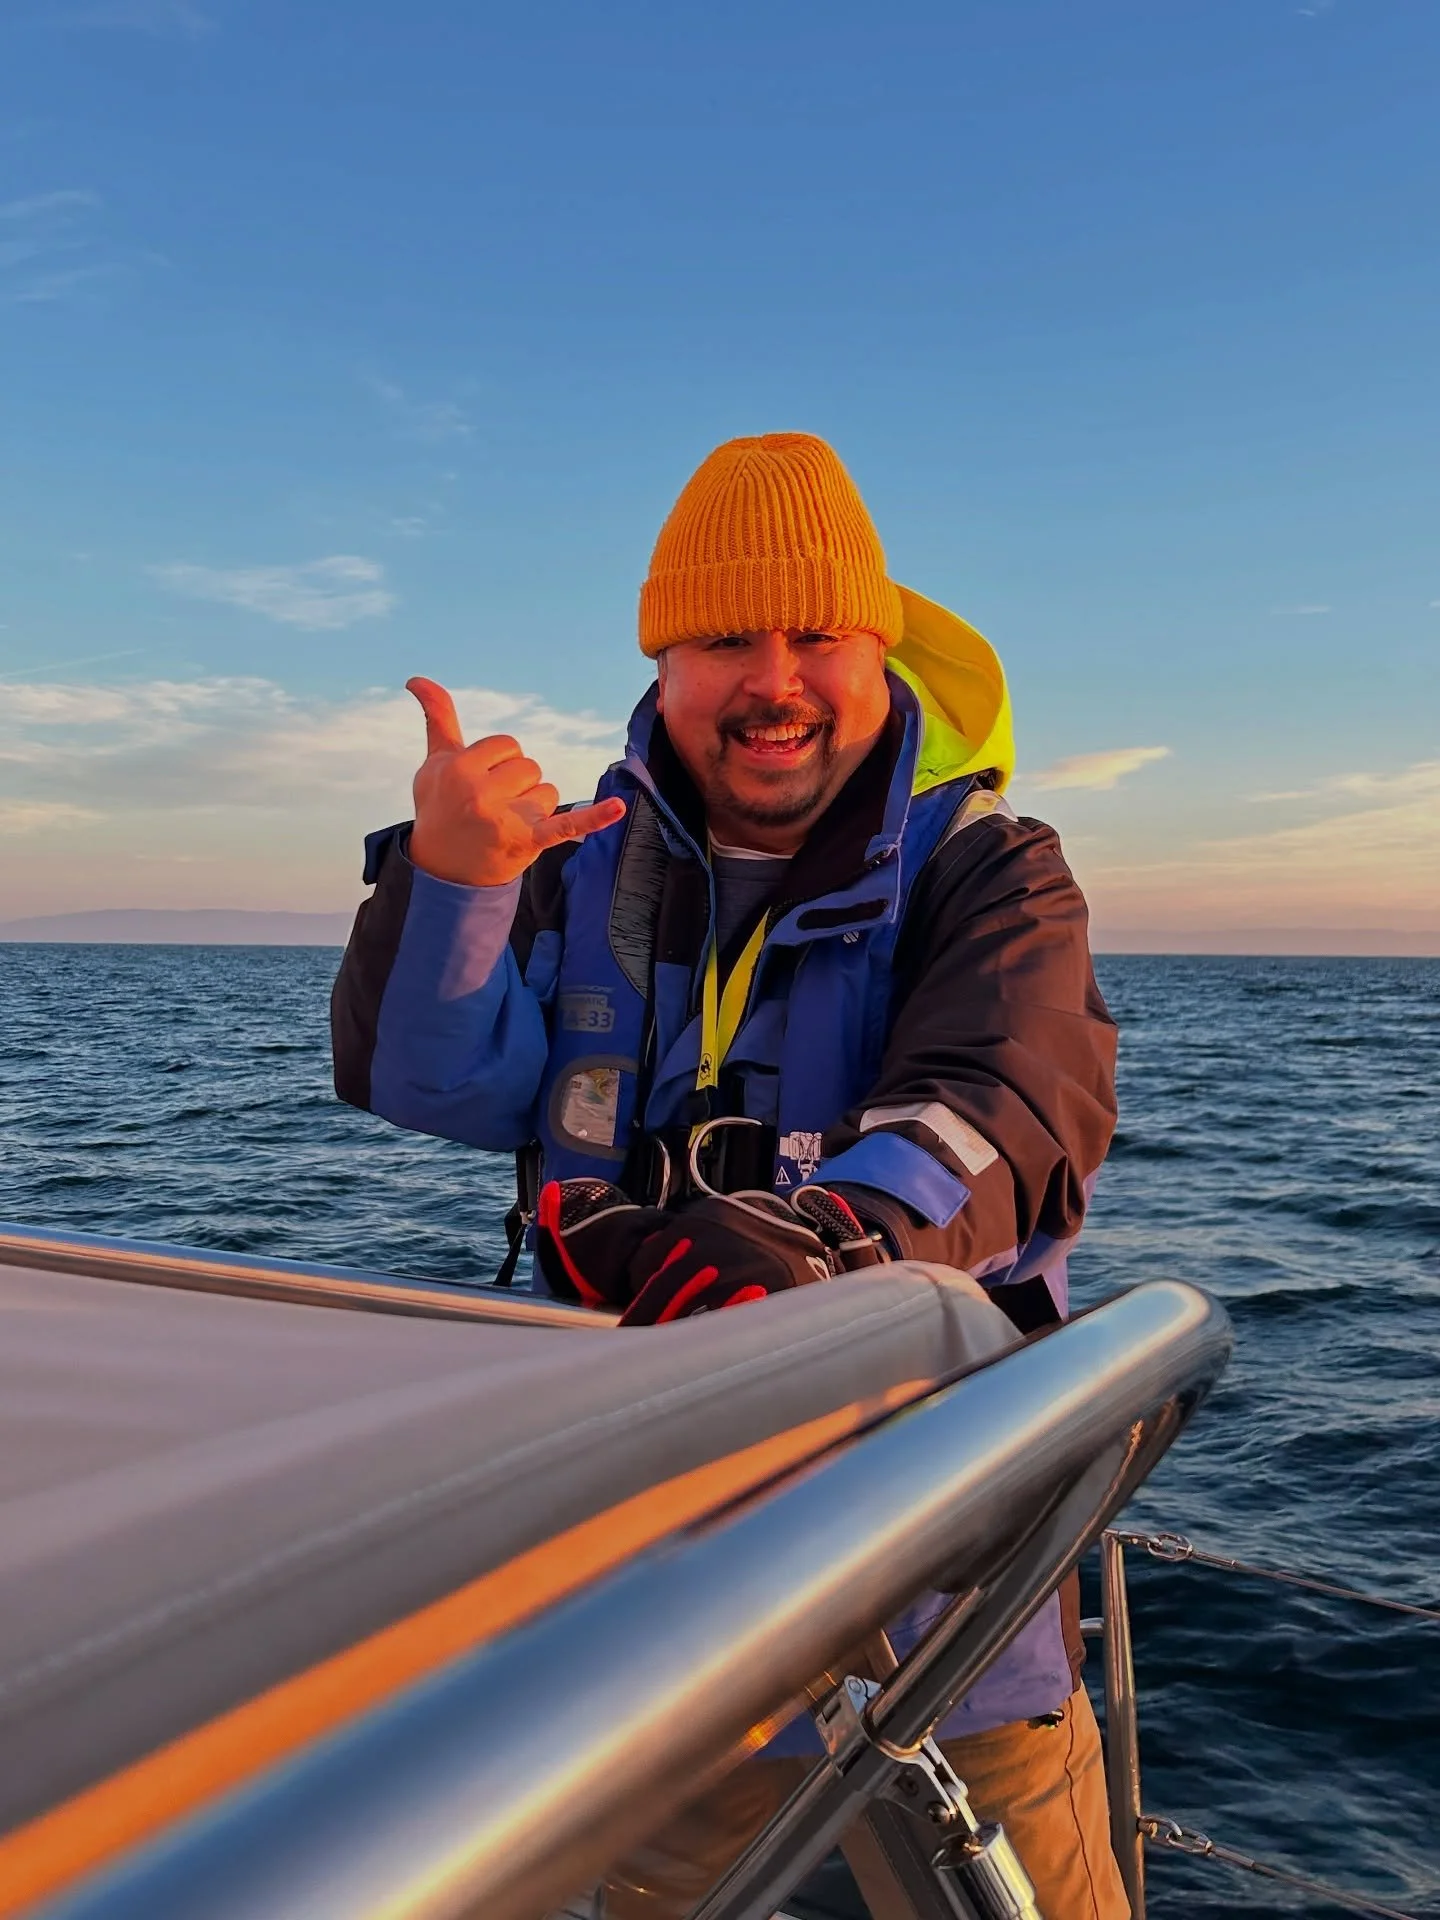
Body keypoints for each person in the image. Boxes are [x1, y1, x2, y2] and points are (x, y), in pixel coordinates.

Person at [331, 432, 1124, 1918]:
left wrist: (819, 1241)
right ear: (663, 663)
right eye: (722, 637)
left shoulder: (996, 870)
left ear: (879, 651)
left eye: (816, 632)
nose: (774, 677)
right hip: (658, 1603)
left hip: (954, 1605)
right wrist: (452, 881)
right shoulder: (575, 864)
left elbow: (1011, 1102)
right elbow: (425, 1079)